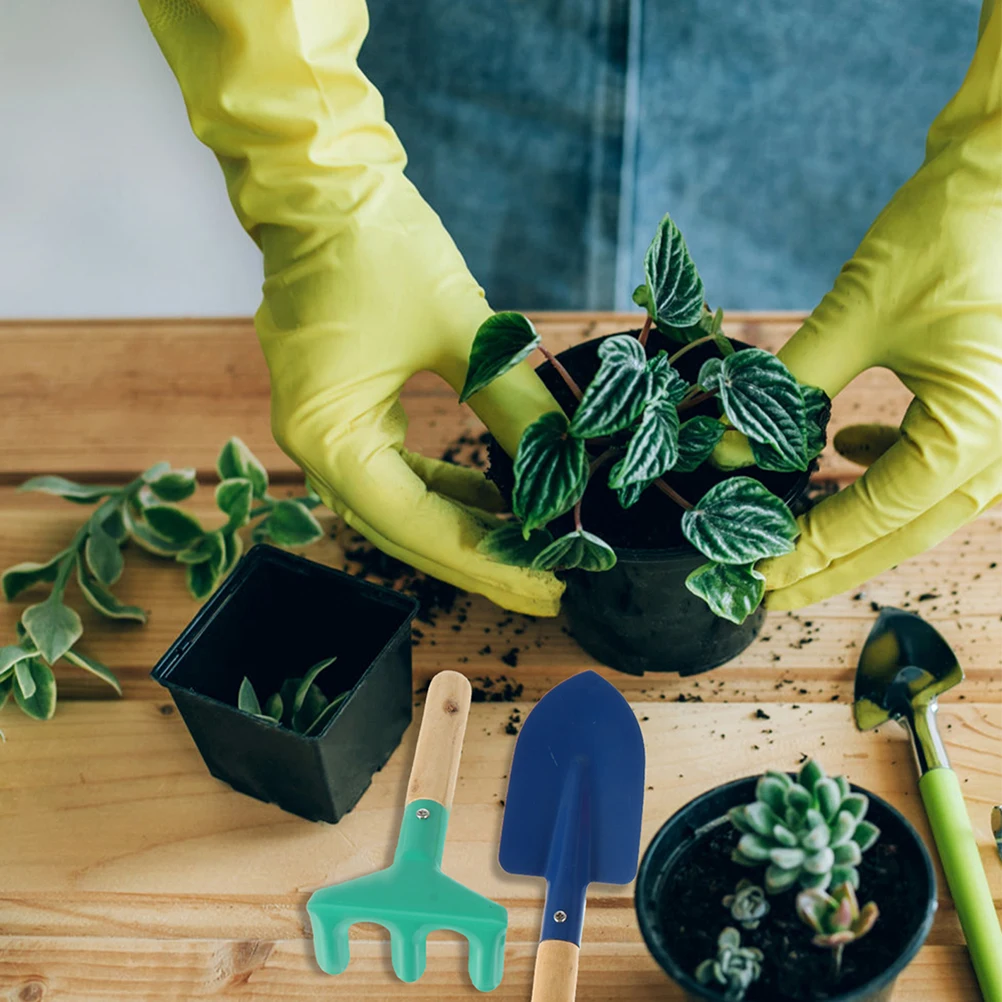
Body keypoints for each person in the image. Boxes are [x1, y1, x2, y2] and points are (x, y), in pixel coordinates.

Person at [138, 0, 1001, 617]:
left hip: (832, 53)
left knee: (781, 319)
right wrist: (313, 168)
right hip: (477, 48)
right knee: (465, 315)